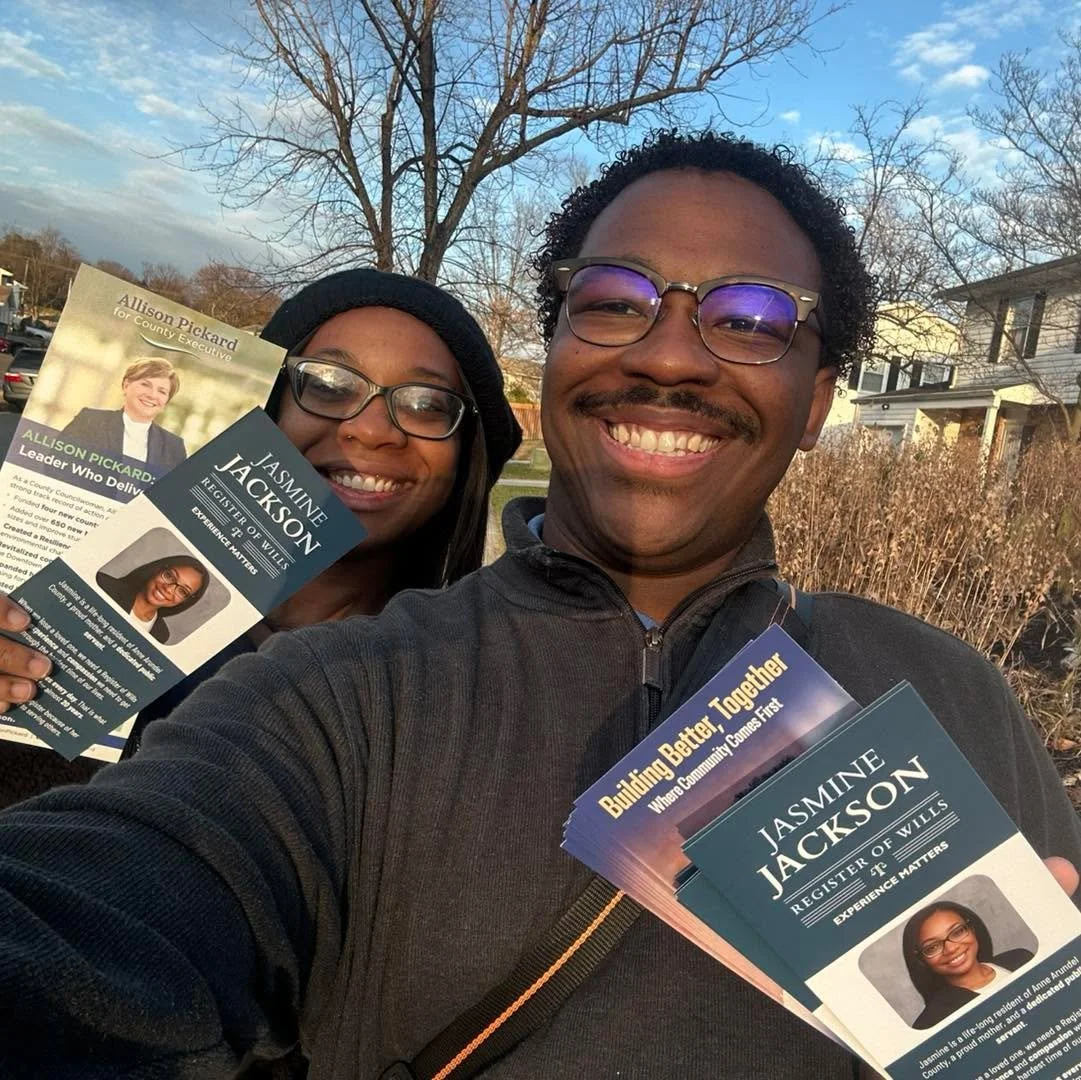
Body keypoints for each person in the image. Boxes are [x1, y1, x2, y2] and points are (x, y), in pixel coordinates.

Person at [0, 131, 1077, 1079]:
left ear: (818, 403)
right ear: (554, 345)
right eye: (613, 302)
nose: (666, 353)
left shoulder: (944, 690)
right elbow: (80, 927)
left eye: (751, 319)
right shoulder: (331, 698)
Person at [0, 268, 521, 807]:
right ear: (268, 407)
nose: (369, 429)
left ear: (466, 455)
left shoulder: (466, 696)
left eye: (426, 403)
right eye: (328, 384)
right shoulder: (77, 611)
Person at [902, 902, 1035, 1029]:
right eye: (932, 947)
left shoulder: (1021, 958)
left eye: (957, 932)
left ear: (973, 930)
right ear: (921, 959)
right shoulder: (932, 1021)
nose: (951, 948)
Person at [63, 356, 188, 467]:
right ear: (126, 385)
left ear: (166, 401)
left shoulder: (174, 448)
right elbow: (56, 466)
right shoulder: (89, 421)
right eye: (145, 384)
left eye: (162, 391)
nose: (152, 395)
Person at [96, 554, 210, 645]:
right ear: (157, 570)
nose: (169, 589)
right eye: (169, 576)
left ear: (186, 602)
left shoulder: (161, 635)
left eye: (182, 591)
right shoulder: (103, 584)